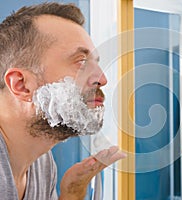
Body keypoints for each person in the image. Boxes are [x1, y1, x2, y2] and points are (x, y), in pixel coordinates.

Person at [0, 2, 125, 200]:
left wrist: (72, 194)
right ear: (22, 85)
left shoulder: (42, 163)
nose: (101, 79)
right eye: (81, 62)